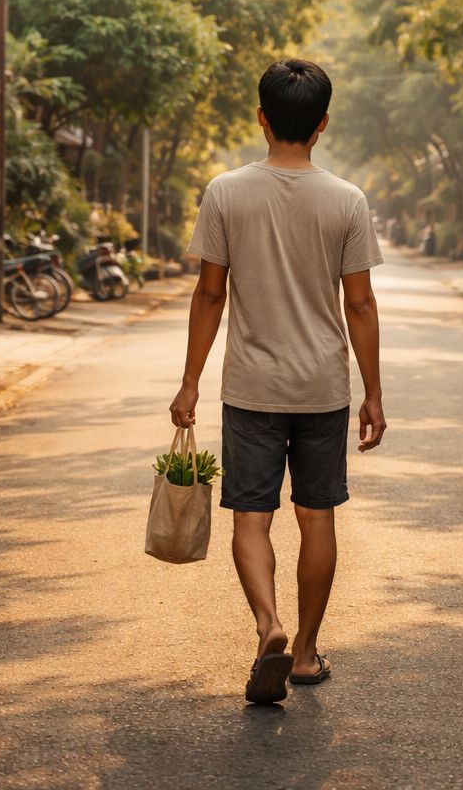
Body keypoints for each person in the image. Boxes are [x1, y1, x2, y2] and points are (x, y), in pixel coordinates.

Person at [169, 59, 386, 706]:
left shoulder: (226, 193)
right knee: (317, 516)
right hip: (322, 387)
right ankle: (308, 653)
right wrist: (373, 393)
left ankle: (269, 625)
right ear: (321, 125)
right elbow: (361, 305)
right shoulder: (347, 200)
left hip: (251, 389)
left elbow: (210, 294)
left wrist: (189, 383)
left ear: (261, 118)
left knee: (252, 517)